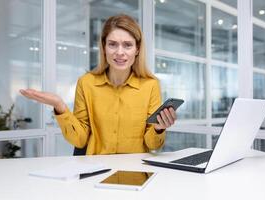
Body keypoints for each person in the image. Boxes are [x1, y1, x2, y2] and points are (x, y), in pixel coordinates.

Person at [20, 14, 176, 155]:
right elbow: (80, 140)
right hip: (96, 171)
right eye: (113, 44)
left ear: (137, 49)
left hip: (138, 171)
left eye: (127, 45)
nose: (120, 52)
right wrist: (59, 106)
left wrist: (158, 128)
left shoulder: (151, 85)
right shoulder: (86, 83)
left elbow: (152, 144)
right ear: (103, 47)